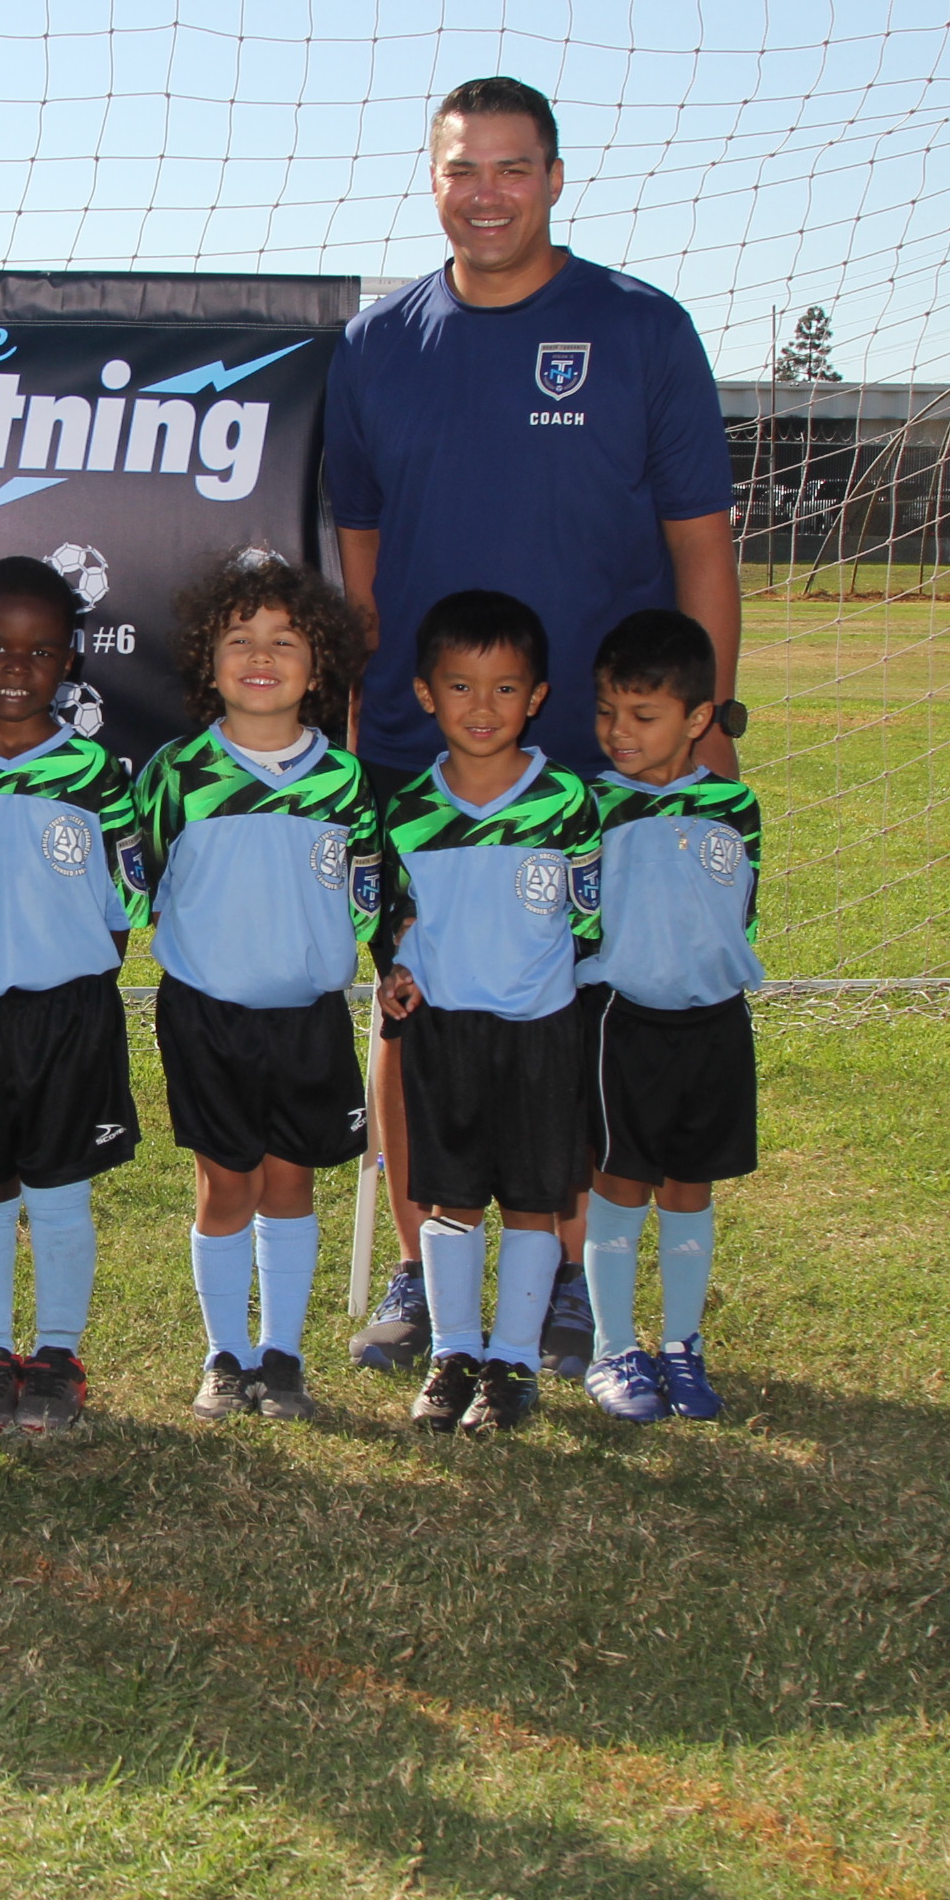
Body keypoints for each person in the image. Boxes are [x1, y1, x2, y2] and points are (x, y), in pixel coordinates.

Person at [328, 75, 742, 1381]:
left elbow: (703, 547)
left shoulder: (640, 329)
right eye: (464, 168)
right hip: (422, 759)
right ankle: (421, 1272)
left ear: (556, 180)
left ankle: (558, 1275)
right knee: (416, 1010)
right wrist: (358, 731)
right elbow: (361, 565)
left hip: (601, 761)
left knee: (572, 1014)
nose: (488, 193)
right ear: (432, 178)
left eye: (513, 168)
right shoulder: (377, 345)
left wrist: (709, 725)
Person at [133, 554, 380, 1427]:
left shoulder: (345, 783)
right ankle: (224, 1355)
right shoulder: (175, 774)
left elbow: (369, 896)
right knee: (227, 1184)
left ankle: (282, 1355)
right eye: (239, 639)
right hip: (207, 1016)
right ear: (208, 660)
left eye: (285, 640)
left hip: (308, 1017)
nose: (261, 656)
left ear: (320, 665)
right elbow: (141, 883)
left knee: (291, 1182)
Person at [0, 557, 149, 1440]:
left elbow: (122, 908)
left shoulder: (96, 775)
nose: (17, 668)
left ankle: (56, 1355)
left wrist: (67, 974)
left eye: (41, 651)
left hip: (67, 1016)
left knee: (57, 1189)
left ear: (70, 661)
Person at [370, 589, 603, 1437]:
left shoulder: (568, 801)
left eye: (505, 688)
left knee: (535, 1200)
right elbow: (390, 918)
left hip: (541, 1032)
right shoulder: (408, 813)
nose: (483, 706)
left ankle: (512, 1364)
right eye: (461, 686)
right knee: (453, 1198)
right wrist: (394, 973)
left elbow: (590, 918)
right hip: (446, 1034)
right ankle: (453, 1355)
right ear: (426, 693)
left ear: (536, 697)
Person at [575, 607, 764, 1425]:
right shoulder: (587, 806)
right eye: (607, 711)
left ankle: (682, 1344)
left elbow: (741, 913)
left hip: (715, 1024)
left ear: (696, 718)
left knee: (692, 1185)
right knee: (620, 1183)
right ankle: (614, 1347)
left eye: (643, 715)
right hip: (622, 1023)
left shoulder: (736, 807)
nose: (619, 732)